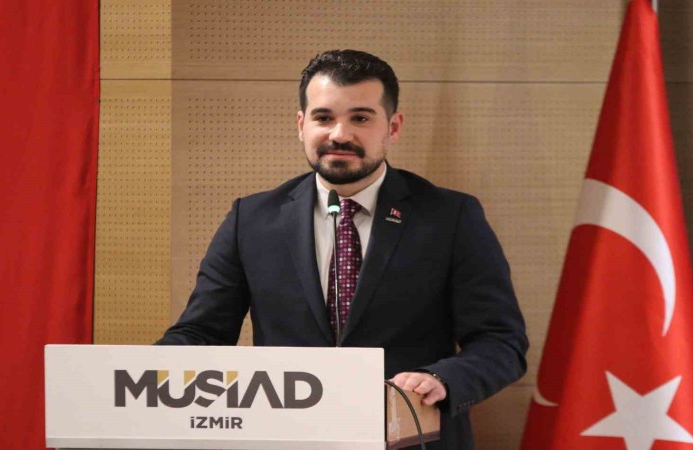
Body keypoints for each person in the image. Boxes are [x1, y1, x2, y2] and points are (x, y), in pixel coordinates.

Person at [157, 49, 528, 449]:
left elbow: (500, 341)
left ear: (393, 127)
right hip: (288, 438)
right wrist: (136, 375)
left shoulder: (451, 217)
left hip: (410, 439)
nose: (339, 135)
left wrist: (442, 379)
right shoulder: (251, 220)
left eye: (360, 118)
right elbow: (202, 333)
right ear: (301, 125)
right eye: (323, 117)